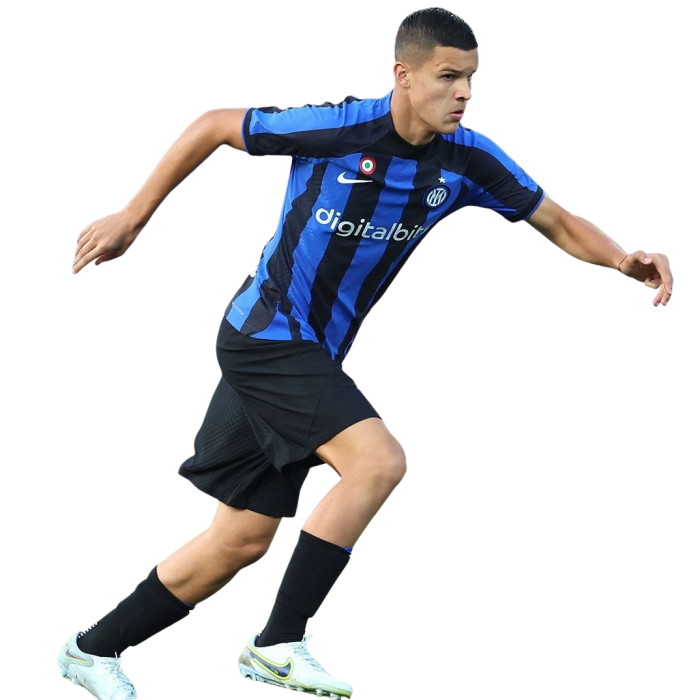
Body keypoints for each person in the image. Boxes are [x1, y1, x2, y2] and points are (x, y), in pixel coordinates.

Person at [59, 6, 674, 700]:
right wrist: (132, 216)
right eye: (448, 77)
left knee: (241, 540)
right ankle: (277, 644)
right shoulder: (339, 126)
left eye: (472, 78)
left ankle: (90, 651)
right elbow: (212, 124)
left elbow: (556, 220)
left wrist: (623, 261)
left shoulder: (469, 157)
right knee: (378, 461)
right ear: (403, 75)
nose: (465, 93)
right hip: (265, 334)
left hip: (309, 355)